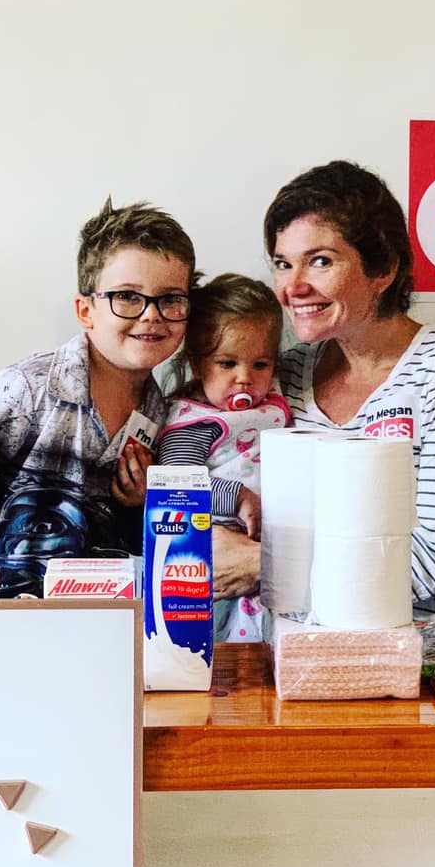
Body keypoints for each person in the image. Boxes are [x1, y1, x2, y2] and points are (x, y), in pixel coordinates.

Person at [214, 160, 435, 618]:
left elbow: (429, 570)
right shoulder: (280, 375)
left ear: (384, 268)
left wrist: (262, 565)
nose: (293, 287)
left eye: (320, 261)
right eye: (282, 263)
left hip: (408, 674)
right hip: (279, 668)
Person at [0, 198, 196, 596]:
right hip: (6, 622)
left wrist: (142, 505)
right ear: (86, 311)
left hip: (110, 626)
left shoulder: (167, 413)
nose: (151, 314)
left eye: (170, 299)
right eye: (128, 297)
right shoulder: (26, 389)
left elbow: (151, 550)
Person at [157, 273, 290, 640]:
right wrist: (237, 496)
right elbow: (176, 482)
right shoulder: (194, 423)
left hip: (274, 553)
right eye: (227, 364)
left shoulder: (276, 402)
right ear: (199, 365)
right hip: (216, 552)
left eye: (260, 365)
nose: (245, 378)